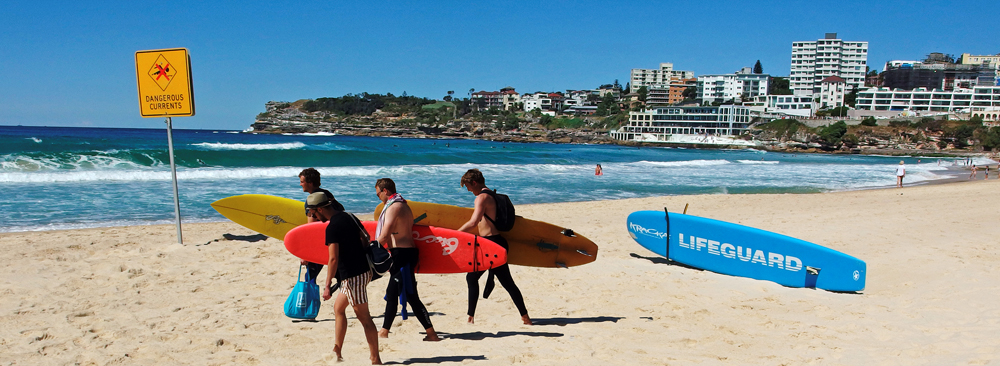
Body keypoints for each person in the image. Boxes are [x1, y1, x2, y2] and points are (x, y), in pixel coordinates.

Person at [308, 192, 381, 365]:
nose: (313, 216)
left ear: (320, 209)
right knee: (339, 309)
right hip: (362, 271)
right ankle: (337, 350)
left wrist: (327, 285)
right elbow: (366, 237)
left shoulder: (332, 228)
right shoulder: (348, 216)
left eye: (313, 213)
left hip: (353, 276)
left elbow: (333, 259)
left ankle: (376, 359)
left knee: (364, 317)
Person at [457, 169, 531, 325]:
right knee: (501, 281)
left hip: (491, 244)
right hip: (495, 242)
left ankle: (471, 317)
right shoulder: (493, 195)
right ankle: (525, 317)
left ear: (474, 183)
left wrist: (455, 234)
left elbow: (473, 222)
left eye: (468, 187)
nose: (469, 190)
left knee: (484, 279)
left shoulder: (482, 197)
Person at [373, 178, 440, 341]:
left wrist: (371, 250)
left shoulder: (394, 207)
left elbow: (385, 235)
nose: (378, 198)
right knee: (394, 293)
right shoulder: (402, 204)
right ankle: (384, 331)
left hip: (402, 255)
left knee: (409, 295)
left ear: (385, 191)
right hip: (403, 253)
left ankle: (432, 334)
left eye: (378, 194)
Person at [298, 168, 344, 283]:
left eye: (302, 182)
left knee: (310, 277)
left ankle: (311, 295)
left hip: (320, 241)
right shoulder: (326, 194)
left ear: (310, 183)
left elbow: (311, 229)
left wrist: (305, 254)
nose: (300, 184)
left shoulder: (312, 200)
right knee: (339, 275)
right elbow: (340, 210)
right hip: (337, 239)